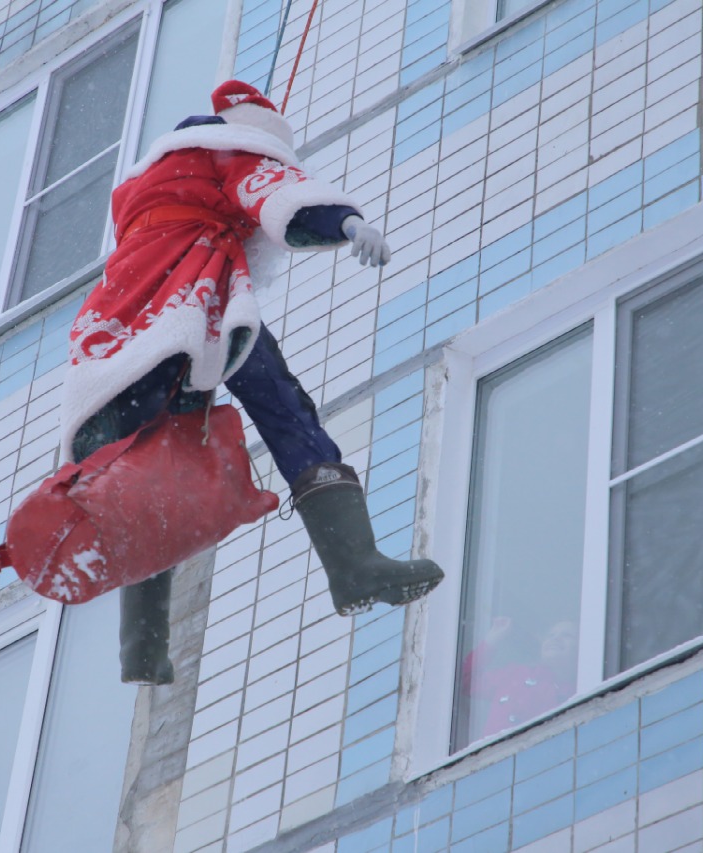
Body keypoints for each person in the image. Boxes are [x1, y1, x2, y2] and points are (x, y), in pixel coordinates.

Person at [60, 80, 445, 684]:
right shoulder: (229, 153)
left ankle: (142, 643)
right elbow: (271, 193)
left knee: (152, 469)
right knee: (284, 409)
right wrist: (345, 224)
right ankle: (353, 563)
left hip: (123, 317)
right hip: (193, 298)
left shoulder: (146, 179)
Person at [461, 616, 578, 738]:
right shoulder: (515, 674)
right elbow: (466, 682)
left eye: (567, 635)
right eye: (550, 635)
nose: (555, 639)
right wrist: (492, 639)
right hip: (495, 752)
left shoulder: (578, 692)